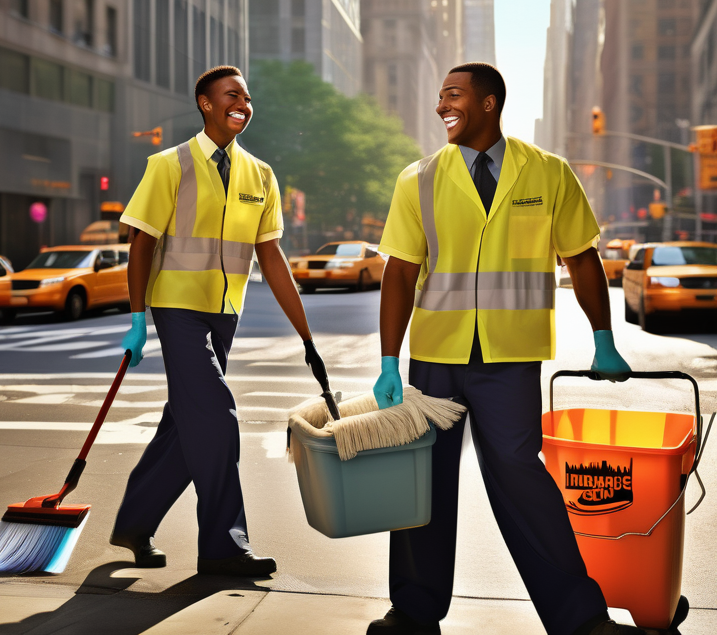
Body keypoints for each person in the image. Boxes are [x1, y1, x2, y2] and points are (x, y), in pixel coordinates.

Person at [367, 63, 641, 635]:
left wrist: (603, 338)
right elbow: (399, 271)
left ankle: (579, 617)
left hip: (509, 360)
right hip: (435, 360)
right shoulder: (417, 178)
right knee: (425, 483)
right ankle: (414, 613)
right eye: (440, 95)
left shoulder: (548, 172)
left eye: (455, 95)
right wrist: (390, 360)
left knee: (521, 476)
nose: (442, 104)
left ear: (489, 104)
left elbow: (582, 258)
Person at [110, 65, 328, 576]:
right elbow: (141, 241)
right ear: (205, 104)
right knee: (217, 418)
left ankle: (134, 524)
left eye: (247, 98)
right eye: (231, 96)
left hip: (224, 314)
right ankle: (223, 546)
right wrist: (138, 317)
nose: (242, 105)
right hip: (177, 309)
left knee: (186, 427)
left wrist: (306, 334)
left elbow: (271, 257)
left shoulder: (261, 175)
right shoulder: (169, 164)